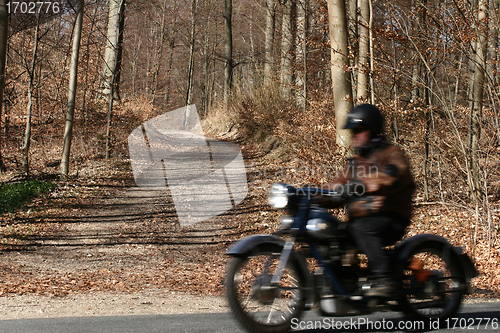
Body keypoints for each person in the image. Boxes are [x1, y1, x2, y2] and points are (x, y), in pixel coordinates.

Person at [323, 103, 415, 297]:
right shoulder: (355, 163)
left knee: (361, 228)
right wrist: (308, 195)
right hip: (364, 219)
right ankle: (342, 284)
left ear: (372, 130)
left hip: (390, 218)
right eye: (353, 131)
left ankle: (385, 279)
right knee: (330, 234)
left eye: (359, 130)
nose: (354, 135)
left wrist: (364, 183)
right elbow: (335, 187)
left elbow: (393, 173)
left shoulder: (391, 153)